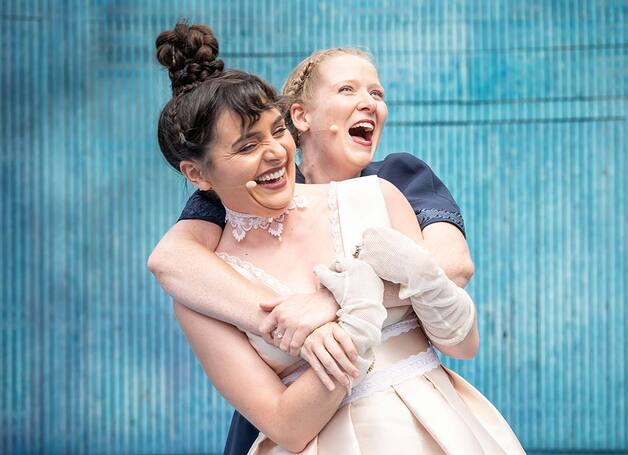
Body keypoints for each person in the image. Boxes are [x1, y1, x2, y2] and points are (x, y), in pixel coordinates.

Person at [150, 22, 524, 453]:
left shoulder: (383, 190)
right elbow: (170, 259)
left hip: (432, 426)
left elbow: (456, 295)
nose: (272, 151)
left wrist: (348, 296)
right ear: (197, 174)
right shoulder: (205, 276)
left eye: (274, 133)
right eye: (247, 146)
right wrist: (353, 324)